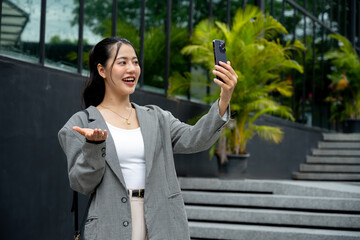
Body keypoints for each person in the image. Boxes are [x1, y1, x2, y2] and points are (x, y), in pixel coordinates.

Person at [58, 37, 237, 240]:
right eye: (122, 62)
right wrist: (94, 146)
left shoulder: (157, 118)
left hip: (162, 221)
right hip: (110, 225)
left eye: (135, 62)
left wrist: (224, 98)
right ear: (102, 70)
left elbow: (196, 138)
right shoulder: (81, 123)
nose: (132, 69)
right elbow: (82, 184)